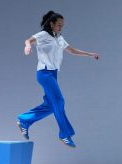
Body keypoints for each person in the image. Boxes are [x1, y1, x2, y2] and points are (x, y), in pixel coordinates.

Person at [17, 11, 99, 148]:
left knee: (51, 105)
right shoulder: (43, 35)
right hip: (44, 73)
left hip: (53, 74)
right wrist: (28, 46)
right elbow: (29, 40)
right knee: (59, 101)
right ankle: (65, 134)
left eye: (62, 26)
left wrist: (89, 54)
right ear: (51, 24)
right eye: (59, 25)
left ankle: (24, 120)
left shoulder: (59, 38)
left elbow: (72, 50)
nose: (61, 28)